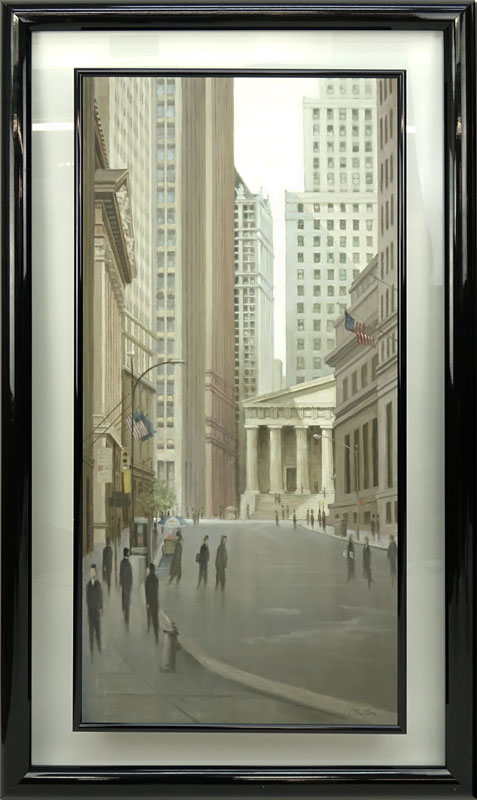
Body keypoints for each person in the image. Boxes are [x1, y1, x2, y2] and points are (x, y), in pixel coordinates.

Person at [86, 564, 102, 657]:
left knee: (98, 630)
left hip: (96, 611)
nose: (93, 573)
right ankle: (92, 650)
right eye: (91, 571)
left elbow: (100, 596)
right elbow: (87, 599)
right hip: (91, 612)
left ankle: (99, 648)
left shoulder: (98, 584)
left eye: (94, 571)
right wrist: (90, 608)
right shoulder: (88, 585)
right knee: (91, 632)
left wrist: (100, 607)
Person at [145, 562, 159, 644]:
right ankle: (156, 637)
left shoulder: (148, 579)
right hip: (155, 602)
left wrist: (147, 602)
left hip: (149, 602)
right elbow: (156, 591)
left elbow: (146, 591)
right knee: (155, 619)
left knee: (149, 619)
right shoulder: (156, 578)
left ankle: (148, 633)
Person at [119, 547, 133, 630]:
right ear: (126, 553)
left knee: (124, 600)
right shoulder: (127, 563)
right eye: (128, 552)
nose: (129, 553)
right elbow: (129, 575)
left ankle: (125, 612)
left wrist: (121, 583)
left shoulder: (122, 562)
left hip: (125, 585)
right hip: (127, 585)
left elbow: (120, 574)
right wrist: (130, 583)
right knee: (127, 601)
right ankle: (126, 619)